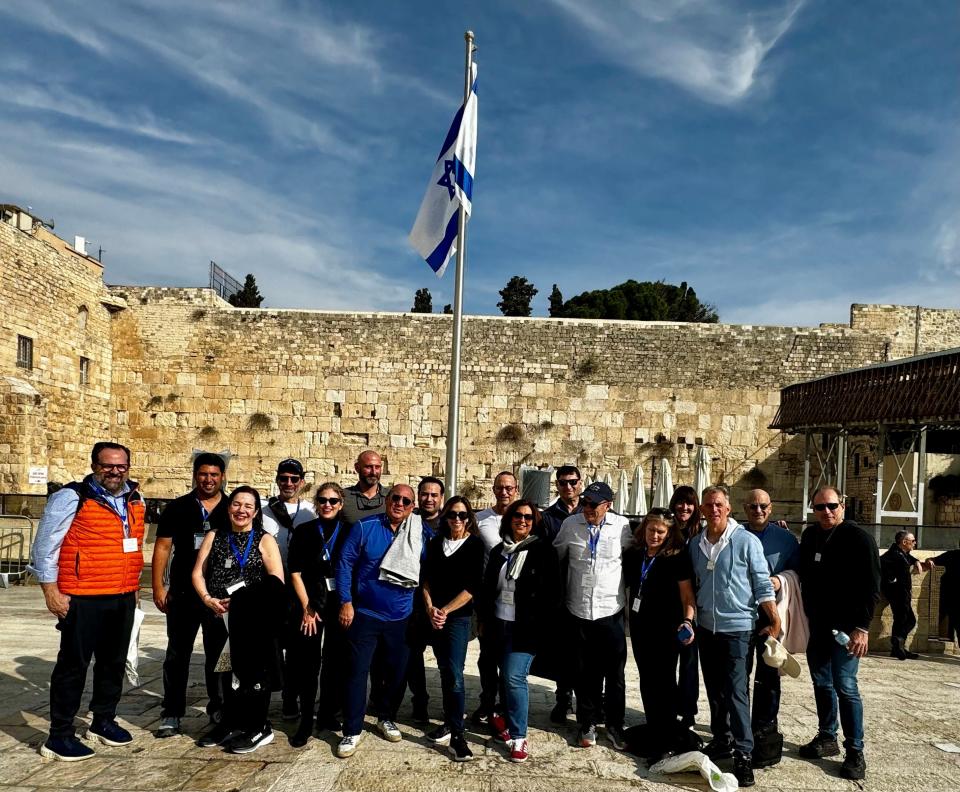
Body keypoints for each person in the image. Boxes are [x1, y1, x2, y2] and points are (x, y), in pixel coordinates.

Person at [30, 442, 145, 761]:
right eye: (108, 465)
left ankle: (103, 721)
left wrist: (133, 588)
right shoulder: (71, 496)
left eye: (121, 466)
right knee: (73, 665)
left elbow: (133, 547)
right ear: (95, 465)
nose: (115, 471)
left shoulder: (136, 498)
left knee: (113, 663)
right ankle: (59, 735)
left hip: (121, 595)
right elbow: (45, 547)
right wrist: (51, 591)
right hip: (83, 597)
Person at [690, 486, 780, 788]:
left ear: (728, 508)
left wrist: (774, 618)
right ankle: (722, 738)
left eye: (719, 504)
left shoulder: (746, 541)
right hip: (706, 627)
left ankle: (744, 754)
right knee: (715, 689)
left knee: (737, 691)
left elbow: (761, 583)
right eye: (708, 505)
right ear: (702, 510)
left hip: (739, 628)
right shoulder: (695, 544)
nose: (713, 509)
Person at [335, 484, 433, 758]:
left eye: (406, 501)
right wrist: (345, 601)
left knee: (396, 673)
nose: (399, 504)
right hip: (365, 614)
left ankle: (385, 716)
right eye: (395, 498)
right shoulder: (365, 528)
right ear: (386, 500)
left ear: (413, 507)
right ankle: (352, 730)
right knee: (357, 672)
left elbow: (432, 566)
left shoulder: (420, 532)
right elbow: (344, 564)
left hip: (401, 617)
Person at [192, 486, 285, 754]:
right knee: (221, 669)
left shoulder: (264, 539)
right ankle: (229, 721)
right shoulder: (215, 535)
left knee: (252, 671)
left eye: (248, 506)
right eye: (236, 504)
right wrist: (207, 598)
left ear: (256, 512)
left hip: (251, 618)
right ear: (229, 507)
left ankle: (258, 726)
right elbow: (198, 572)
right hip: (217, 613)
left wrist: (246, 599)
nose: (241, 510)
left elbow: (276, 580)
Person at [797, 485, 880, 781]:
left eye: (831, 506)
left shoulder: (860, 539)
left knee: (845, 685)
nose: (826, 512)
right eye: (819, 507)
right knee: (822, 682)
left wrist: (862, 628)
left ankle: (855, 750)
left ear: (843, 506)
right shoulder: (810, 536)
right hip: (817, 626)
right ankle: (827, 736)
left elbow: (872, 588)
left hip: (847, 629)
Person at [152, 452, 229, 738]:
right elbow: (162, 547)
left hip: (217, 594)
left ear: (222, 477)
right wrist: (159, 586)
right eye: (203, 474)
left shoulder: (231, 508)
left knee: (218, 654)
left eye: (214, 475)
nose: (209, 480)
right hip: (184, 592)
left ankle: (218, 706)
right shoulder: (179, 507)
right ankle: (171, 711)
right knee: (177, 654)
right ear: (195, 475)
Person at [553, 481, 632, 751]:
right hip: (579, 610)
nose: (587, 508)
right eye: (585, 502)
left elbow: (633, 557)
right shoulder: (570, 525)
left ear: (607, 505)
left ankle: (614, 724)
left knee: (615, 674)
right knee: (584, 672)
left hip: (610, 611)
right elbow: (557, 556)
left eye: (593, 504)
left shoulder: (622, 527)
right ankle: (586, 722)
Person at [481, 500, 560, 763]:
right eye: (518, 516)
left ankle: (519, 736)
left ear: (534, 521)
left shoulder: (543, 551)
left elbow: (553, 594)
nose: (522, 521)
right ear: (509, 519)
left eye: (528, 517)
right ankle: (501, 718)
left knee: (514, 677)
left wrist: (544, 626)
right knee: (501, 676)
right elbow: (488, 588)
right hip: (498, 624)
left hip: (526, 627)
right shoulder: (499, 551)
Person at [624, 509, 697, 761]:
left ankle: (667, 732)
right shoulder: (635, 554)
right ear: (644, 529)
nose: (654, 535)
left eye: (660, 532)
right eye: (651, 530)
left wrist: (688, 620)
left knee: (664, 679)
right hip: (640, 626)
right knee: (646, 677)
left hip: (666, 628)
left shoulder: (677, 557)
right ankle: (654, 726)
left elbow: (688, 596)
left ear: (669, 533)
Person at [422, 496, 484, 761]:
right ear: (445, 517)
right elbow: (425, 580)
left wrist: (445, 610)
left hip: (457, 618)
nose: (456, 520)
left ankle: (458, 735)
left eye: (462, 515)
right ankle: (449, 721)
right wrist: (430, 609)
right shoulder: (436, 544)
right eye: (452, 515)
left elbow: (472, 587)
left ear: (469, 518)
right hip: (435, 616)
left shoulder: (475, 545)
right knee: (445, 670)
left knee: (456, 673)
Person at [285, 483, 348, 746]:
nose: (328, 505)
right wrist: (306, 607)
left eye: (333, 501)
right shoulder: (304, 530)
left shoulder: (350, 531)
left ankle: (328, 713)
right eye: (323, 500)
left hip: (338, 603)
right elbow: (295, 571)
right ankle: (306, 719)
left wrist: (348, 603)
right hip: (310, 603)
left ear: (341, 504)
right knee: (308, 663)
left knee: (335, 662)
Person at [740, 489, 799, 765]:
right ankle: (738, 728)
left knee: (769, 675)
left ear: (771, 508)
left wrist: (781, 579)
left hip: (771, 616)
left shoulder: (786, 540)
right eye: (753, 506)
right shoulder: (734, 534)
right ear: (745, 508)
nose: (758, 510)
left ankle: (764, 729)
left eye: (763, 506)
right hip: (740, 614)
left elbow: (800, 573)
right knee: (739, 674)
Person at [260, 458, 317, 722]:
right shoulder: (263, 510)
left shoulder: (310, 511)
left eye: (294, 479)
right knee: (271, 645)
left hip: (299, 588)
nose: (289, 484)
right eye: (284, 478)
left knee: (297, 648)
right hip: (271, 588)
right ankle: (265, 694)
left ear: (302, 482)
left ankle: (290, 698)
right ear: (277, 480)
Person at [471, 471, 519, 725]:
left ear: (516, 489)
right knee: (487, 656)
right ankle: (488, 701)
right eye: (500, 487)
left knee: (510, 657)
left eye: (509, 488)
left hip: (517, 603)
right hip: (490, 599)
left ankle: (507, 704)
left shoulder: (524, 518)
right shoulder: (480, 520)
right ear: (493, 488)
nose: (504, 492)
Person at [540, 465, 583, 724]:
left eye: (573, 482)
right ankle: (563, 697)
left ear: (580, 482)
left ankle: (587, 697)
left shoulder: (590, 511)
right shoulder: (548, 517)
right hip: (559, 591)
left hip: (585, 591)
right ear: (557, 485)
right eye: (563, 483)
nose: (568, 487)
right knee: (563, 649)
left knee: (585, 650)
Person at [406, 476, 446, 723]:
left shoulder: (453, 522)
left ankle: (449, 704)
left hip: (442, 600)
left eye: (434, 495)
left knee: (445, 657)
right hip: (413, 599)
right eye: (425, 494)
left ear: (441, 498)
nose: (429, 499)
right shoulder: (409, 521)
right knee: (413, 654)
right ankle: (419, 700)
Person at [669, 485, 702, 731]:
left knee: (689, 663)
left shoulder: (702, 533)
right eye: (680, 502)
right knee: (667, 661)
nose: (684, 507)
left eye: (689, 503)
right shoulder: (667, 530)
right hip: (667, 605)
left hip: (693, 607)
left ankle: (688, 713)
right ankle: (668, 707)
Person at [881, 530, 924, 659]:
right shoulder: (892, 555)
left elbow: (908, 558)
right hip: (897, 594)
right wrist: (891, 580)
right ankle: (897, 641)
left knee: (904, 619)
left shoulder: (901, 553)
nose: (915, 543)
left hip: (902, 594)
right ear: (904, 542)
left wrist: (916, 561)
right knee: (907, 619)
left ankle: (898, 647)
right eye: (913, 541)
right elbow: (881, 563)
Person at [341, 450, 387, 526]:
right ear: (357, 468)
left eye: (377, 467)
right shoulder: (342, 497)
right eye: (368, 467)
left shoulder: (393, 498)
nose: (374, 472)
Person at [926, 543, 960, 642]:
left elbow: (932, 559)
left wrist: (929, 560)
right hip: (953, 598)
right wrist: (929, 561)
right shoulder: (953, 555)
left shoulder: (952, 555)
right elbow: (932, 560)